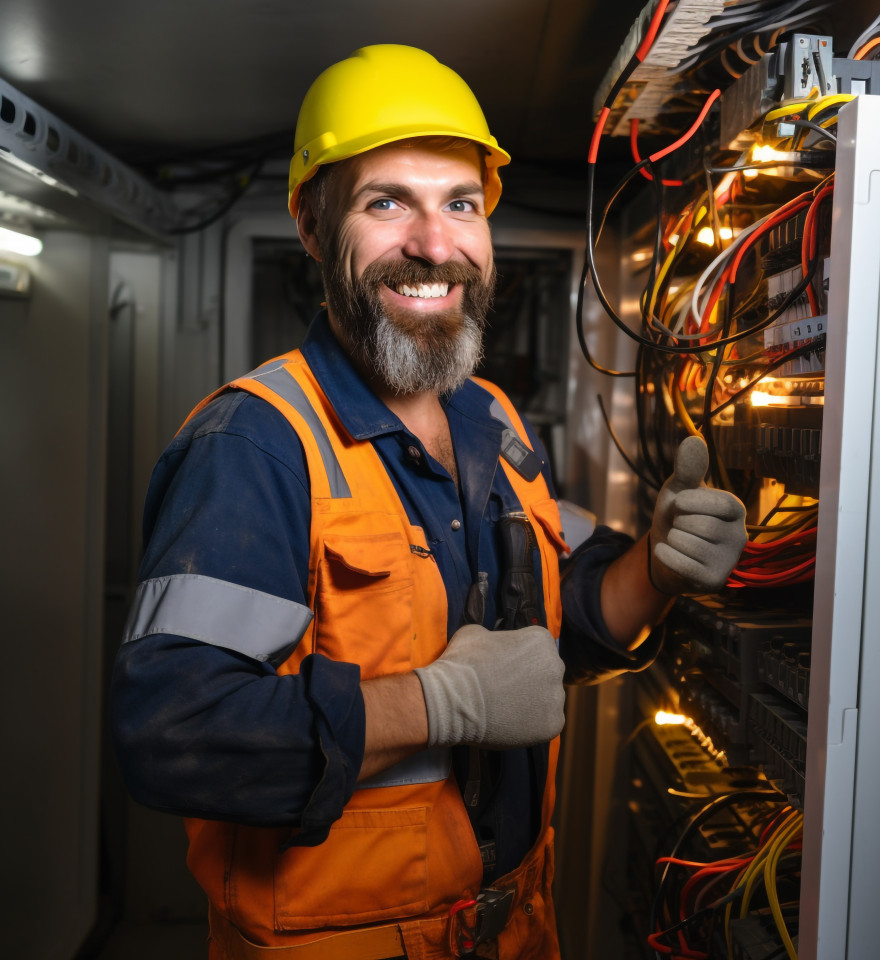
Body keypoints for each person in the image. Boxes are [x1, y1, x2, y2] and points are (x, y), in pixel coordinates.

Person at [111, 44, 747, 960]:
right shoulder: (257, 445)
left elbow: (550, 630)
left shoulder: (487, 417)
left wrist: (657, 565)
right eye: (386, 203)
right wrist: (440, 703)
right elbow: (173, 733)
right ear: (311, 224)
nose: (434, 244)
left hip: (511, 926)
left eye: (460, 203)